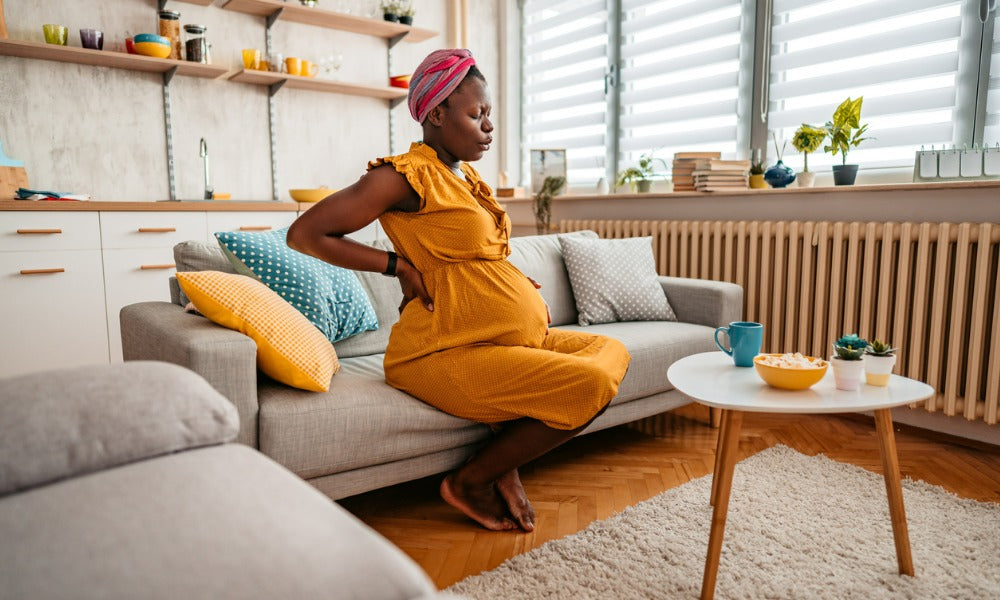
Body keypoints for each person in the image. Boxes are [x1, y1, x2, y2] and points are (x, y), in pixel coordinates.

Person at [286, 49, 630, 532]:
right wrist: (398, 266)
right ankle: (470, 481)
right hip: (441, 351)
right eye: (476, 114)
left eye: (488, 114)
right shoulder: (402, 175)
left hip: (503, 339)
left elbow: (475, 255)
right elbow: (306, 233)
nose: (488, 127)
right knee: (589, 384)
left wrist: (515, 285)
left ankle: (502, 458)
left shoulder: (465, 177)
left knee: (611, 351)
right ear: (437, 114)